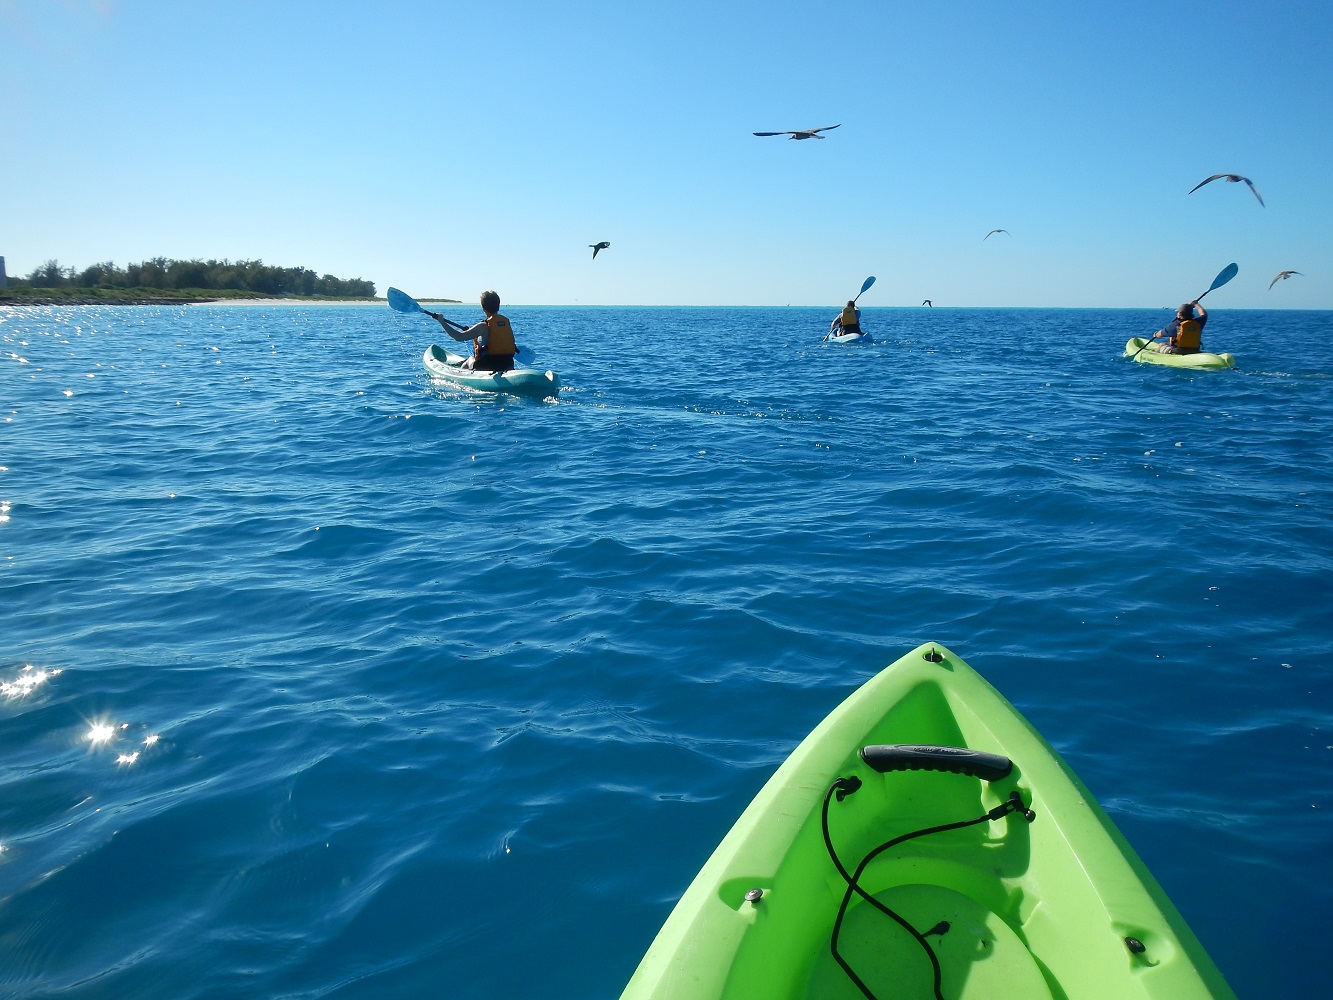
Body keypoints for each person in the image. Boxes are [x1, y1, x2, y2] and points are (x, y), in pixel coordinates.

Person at [427, 290, 516, 371]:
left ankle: (460, 379)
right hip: (507, 364)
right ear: (498, 306)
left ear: (483, 308)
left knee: (470, 360)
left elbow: (458, 337)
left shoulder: (482, 326)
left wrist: (442, 322)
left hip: (487, 366)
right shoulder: (505, 324)